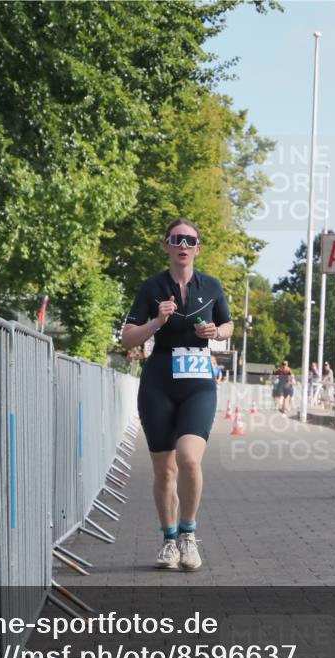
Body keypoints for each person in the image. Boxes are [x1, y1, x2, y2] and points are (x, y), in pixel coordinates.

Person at [120, 218, 234, 571]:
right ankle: (169, 541)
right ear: (166, 246)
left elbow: (230, 325)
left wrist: (217, 331)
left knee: (188, 458)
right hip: (159, 381)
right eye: (176, 240)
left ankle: (188, 534)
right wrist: (156, 322)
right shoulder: (152, 287)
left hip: (198, 380)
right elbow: (127, 338)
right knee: (164, 472)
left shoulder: (211, 286)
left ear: (198, 248)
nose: (183, 245)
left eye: (190, 240)